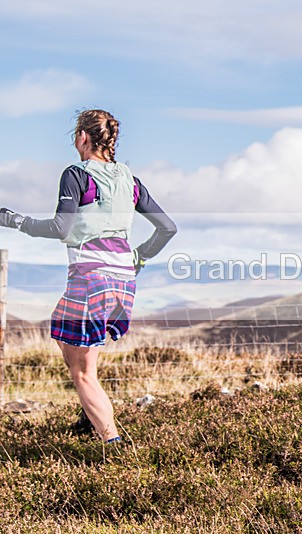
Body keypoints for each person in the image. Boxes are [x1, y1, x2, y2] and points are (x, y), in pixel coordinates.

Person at [0, 109, 177, 443]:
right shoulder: (131, 181)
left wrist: (12, 219)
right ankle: (88, 417)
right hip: (123, 279)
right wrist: (138, 257)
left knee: (83, 371)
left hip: (91, 278)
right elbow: (167, 228)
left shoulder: (77, 175)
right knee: (68, 339)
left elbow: (59, 227)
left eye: (75, 137)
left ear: (82, 137)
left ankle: (113, 444)